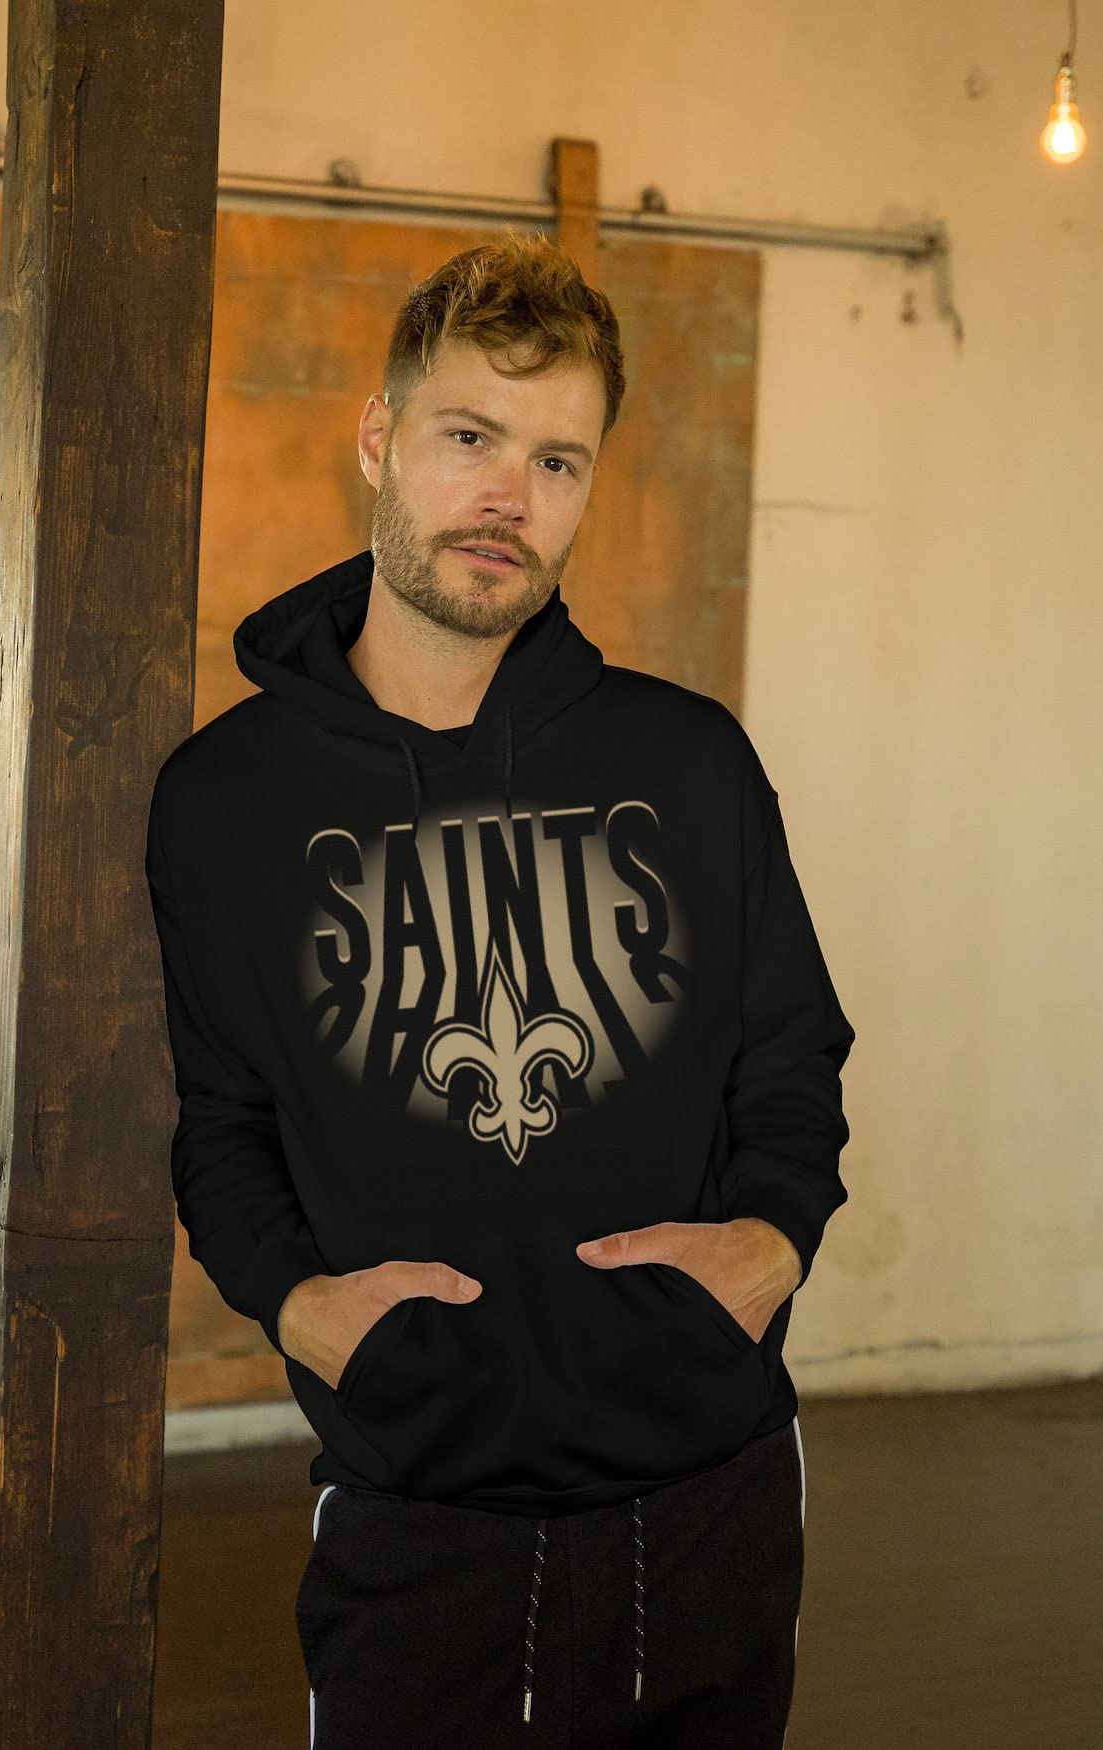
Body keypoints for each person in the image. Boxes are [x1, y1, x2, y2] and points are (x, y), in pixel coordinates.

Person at [144, 228, 855, 1748]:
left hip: (709, 1491)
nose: (508, 498)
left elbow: (791, 1052)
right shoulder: (225, 798)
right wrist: (296, 1303)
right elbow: (223, 1115)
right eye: (470, 438)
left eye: (557, 460)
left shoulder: (690, 760)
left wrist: (773, 1242)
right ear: (380, 437)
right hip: (416, 1509)